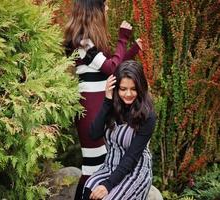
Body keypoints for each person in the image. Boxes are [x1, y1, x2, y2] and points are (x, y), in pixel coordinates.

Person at [63, 0, 142, 199]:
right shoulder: (82, 41)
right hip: (90, 111)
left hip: (102, 108)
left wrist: (132, 50)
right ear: (93, 8)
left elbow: (111, 66)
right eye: (104, 4)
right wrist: (123, 38)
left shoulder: (90, 41)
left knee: (103, 166)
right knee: (93, 168)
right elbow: (111, 68)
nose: (107, 8)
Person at [82, 60, 156, 200]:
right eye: (123, 89)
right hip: (109, 166)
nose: (128, 94)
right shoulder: (112, 106)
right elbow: (93, 134)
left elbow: (131, 157)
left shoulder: (148, 116)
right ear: (116, 88)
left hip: (135, 170)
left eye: (133, 89)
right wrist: (107, 101)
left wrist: (107, 185)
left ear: (141, 88)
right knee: (88, 191)